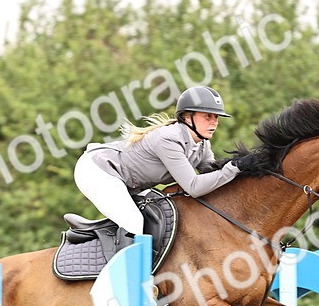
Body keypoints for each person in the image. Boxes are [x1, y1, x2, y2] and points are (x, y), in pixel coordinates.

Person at [73, 86, 255, 242]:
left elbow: (213, 177)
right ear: (187, 117)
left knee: (158, 218)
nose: (214, 122)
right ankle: (131, 281)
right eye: (208, 116)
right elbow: (194, 187)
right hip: (97, 171)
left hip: (127, 182)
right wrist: (235, 166)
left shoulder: (201, 144)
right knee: (134, 223)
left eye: (216, 117)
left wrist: (246, 169)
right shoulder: (168, 139)